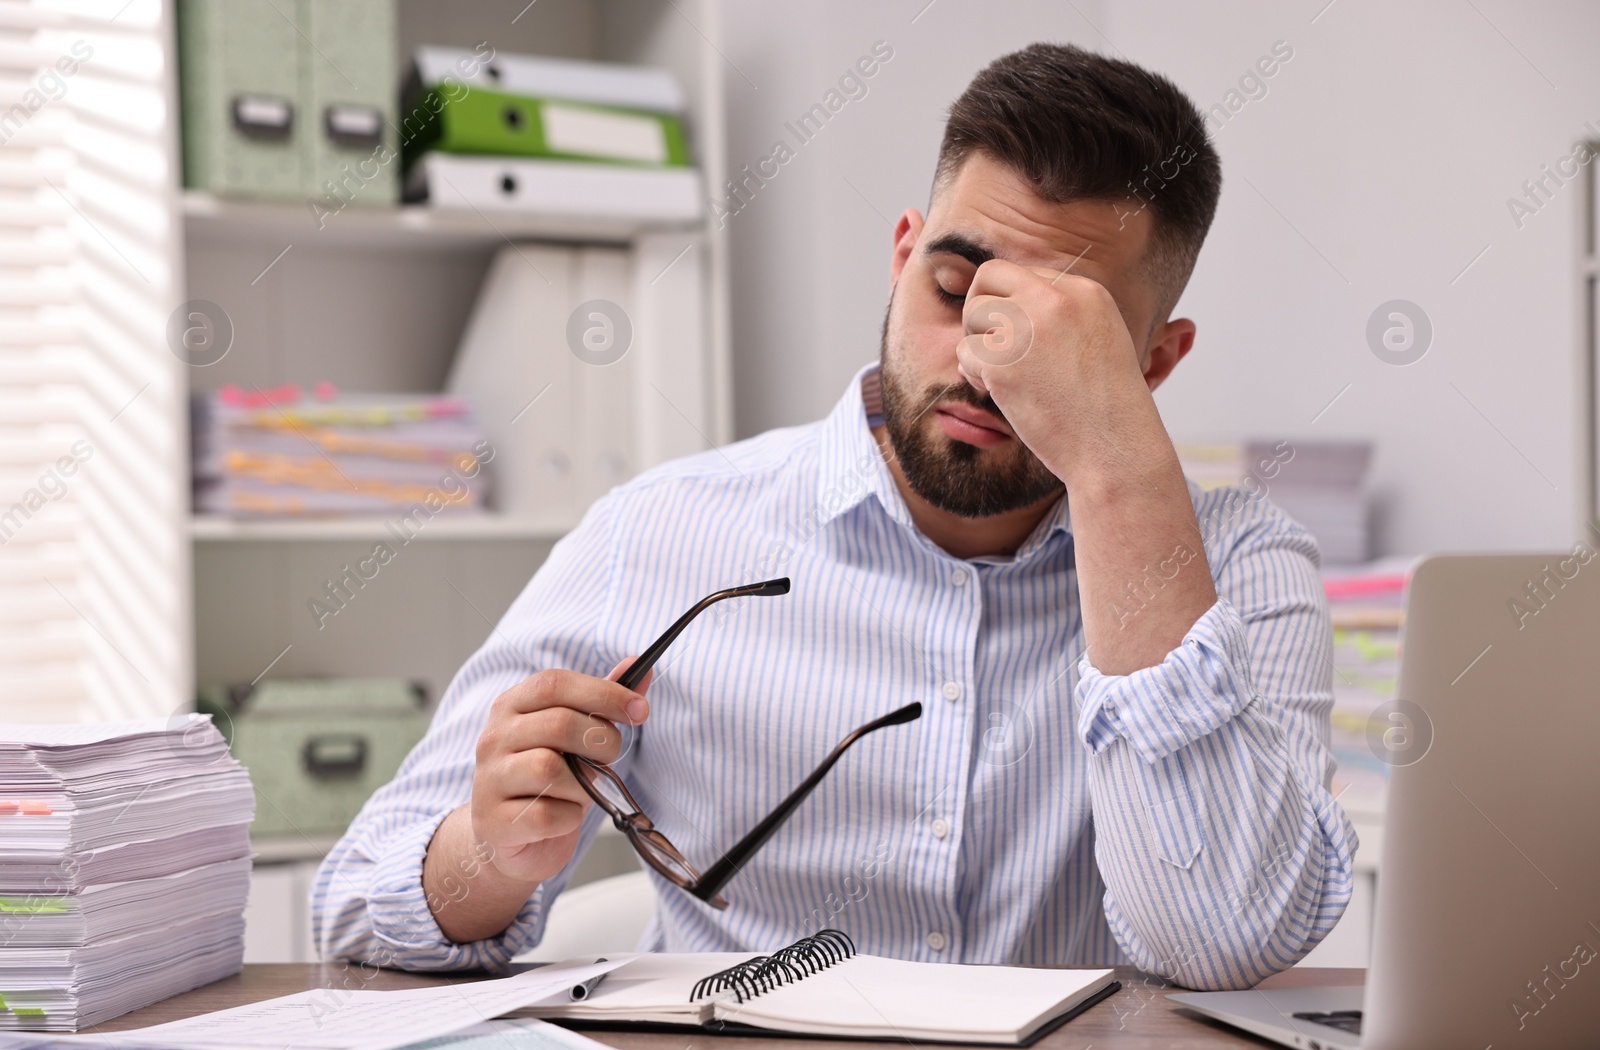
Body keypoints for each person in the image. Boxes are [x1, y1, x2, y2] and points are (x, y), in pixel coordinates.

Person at [314, 42, 1355, 991]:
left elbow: (1219, 940)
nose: (984, 366)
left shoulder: (1240, 561)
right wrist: (487, 856)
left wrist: (1120, 466)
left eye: (1058, 334)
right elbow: (355, 908)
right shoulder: (656, 532)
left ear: (1154, 361)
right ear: (903, 257)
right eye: (957, 291)